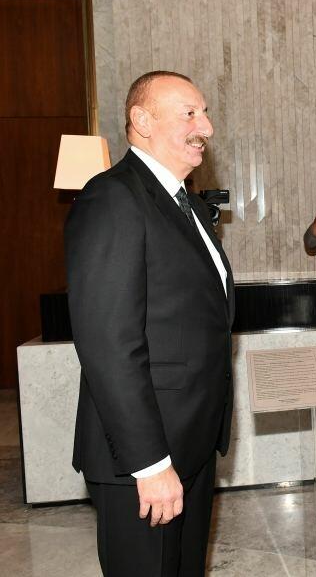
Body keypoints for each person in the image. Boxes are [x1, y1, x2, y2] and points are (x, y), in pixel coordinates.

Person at [66, 71, 234, 576]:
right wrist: (151, 464)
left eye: (205, 113)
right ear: (141, 121)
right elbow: (109, 345)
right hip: (144, 458)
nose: (206, 127)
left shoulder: (189, 205)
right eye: (190, 114)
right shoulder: (112, 198)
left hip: (192, 444)